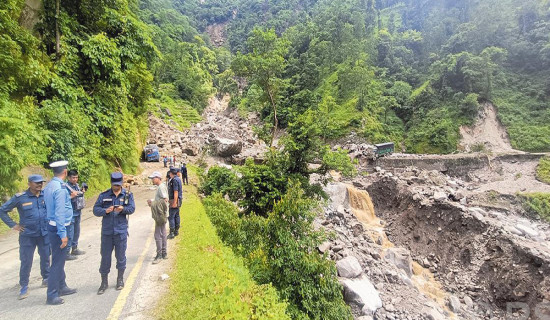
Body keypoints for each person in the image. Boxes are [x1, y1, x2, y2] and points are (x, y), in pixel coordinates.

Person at [0, 174, 50, 300]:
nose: (40, 184)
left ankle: (46, 278)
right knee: (26, 261)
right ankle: (24, 286)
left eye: (41, 182)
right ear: (29, 184)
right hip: (27, 235)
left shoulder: (46, 195)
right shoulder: (21, 198)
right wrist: (13, 225)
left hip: (43, 233)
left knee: (45, 257)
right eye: (37, 182)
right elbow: (2, 210)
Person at [93, 172, 135, 295]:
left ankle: (120, 280)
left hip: (121, 231)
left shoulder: (127, 195)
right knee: (105, 257)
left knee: (121, 257)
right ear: (111, 183)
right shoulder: (104, 195)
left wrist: (123, 209)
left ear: (121, 183)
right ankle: (104, 282)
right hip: (107, 232)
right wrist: (106, 210)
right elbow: (95, 210)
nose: (116, 187)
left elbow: (132, 209)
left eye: (118, 185)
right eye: (114, 185)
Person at [43, 160, 77, 305]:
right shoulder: (61, 189)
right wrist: (63, 234)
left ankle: (62, 286)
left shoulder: (50, 186)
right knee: (57, 262)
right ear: (65, 172)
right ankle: (52, 294)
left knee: (59, 259)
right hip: (59, 228)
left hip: (52, 226)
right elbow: (60, 213)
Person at [65, 169, 86, 260]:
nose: (75, 179)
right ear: (68, 177)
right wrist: (71, 196)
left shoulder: (77, 186)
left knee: (77, 231)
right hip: (70, 213)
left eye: (76, 177)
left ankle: (75, 248)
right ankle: (66, 252)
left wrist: (82, 191)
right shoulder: (65, 187)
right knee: (70, 232)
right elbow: (62, 200)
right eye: (73, 177)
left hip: (78, 211)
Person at [147, 171, 168, 264]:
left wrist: (153, 203)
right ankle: (164, 253)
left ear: (158, 178)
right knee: (163, 233)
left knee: (158, 234)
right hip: (161, 213)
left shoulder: (161, 187)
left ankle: (159, 255)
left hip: (160, 214)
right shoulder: (161, 186)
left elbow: (165, 200)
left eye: (153, 178)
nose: (152, 180)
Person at [167, 167, 182, 239]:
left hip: (174, 200)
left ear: (171, 173)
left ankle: (172, 232)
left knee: (171, 216)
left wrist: (174, 202)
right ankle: (176, 230)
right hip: (179, 200)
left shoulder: (174, 180)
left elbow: (175, 192)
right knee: (177, 215)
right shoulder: (178, 179)